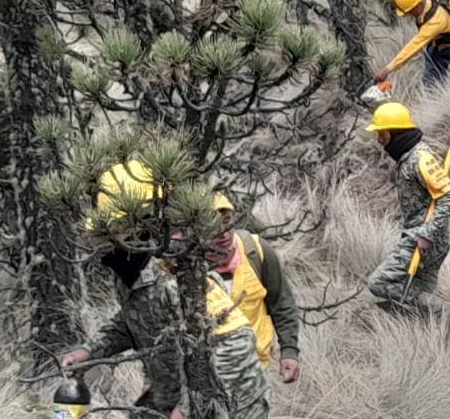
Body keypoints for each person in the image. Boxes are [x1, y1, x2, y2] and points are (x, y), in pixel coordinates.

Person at [59, 161, 269, 419]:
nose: (101, 242)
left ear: (142, 224)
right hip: (172, 393)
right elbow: (134, 320)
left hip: (232, 398)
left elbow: (233, 342)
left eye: (112, 230)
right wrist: (91, 351)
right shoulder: (130, 270)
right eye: (102, 233)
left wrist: (188, 406)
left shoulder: (178, 274)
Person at [363, 101, 450, 304]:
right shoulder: (407, 158)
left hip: (427, 237)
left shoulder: (420, 159)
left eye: (383, 133)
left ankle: (442, 309)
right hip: (425, 235)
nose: (379, 139)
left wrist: (427, 233)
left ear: (396, 133)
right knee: (420, 288)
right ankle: (435, 321)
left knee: (379, 283)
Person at [206, 191, 302, 382]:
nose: (224, 233)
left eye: (227, 221)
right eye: (213, 226)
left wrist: (289, 351)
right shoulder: (187, 267)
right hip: (209, 373)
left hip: (255, 369)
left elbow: (281, 303)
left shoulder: (256, 250)